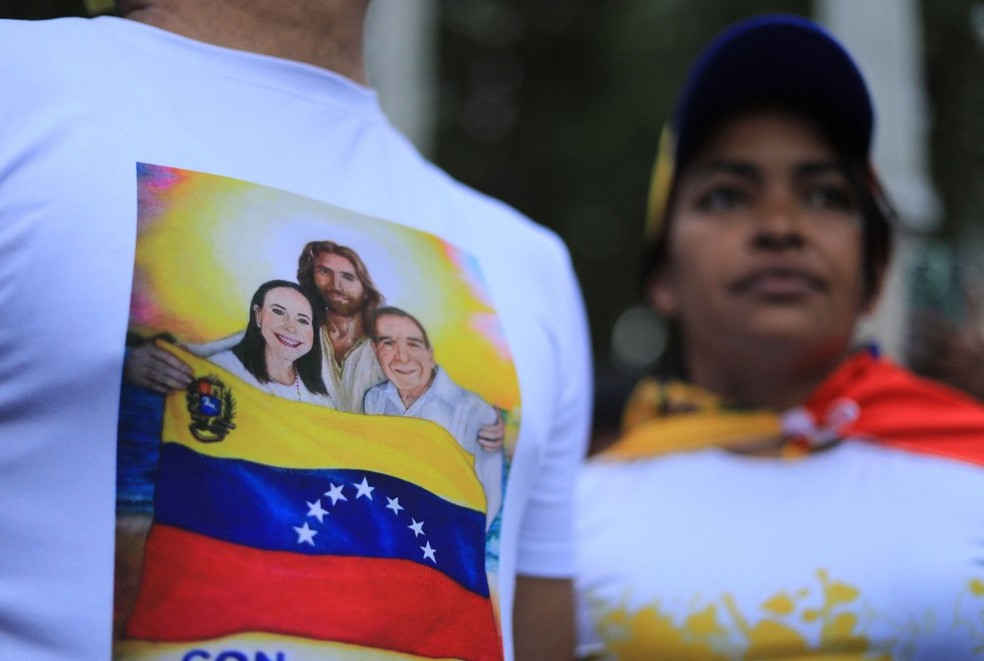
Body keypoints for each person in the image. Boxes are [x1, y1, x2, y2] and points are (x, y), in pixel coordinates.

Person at [0, 2, 592, 659]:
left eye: (347, 276)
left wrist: (481, 426)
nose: (334, 288)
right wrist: (145, 362)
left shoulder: (529, 266)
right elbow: (211, 360)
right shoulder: (19, 92)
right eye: (321, 278)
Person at [574, 14, 984, 659]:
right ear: (662, 277)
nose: (780, 226)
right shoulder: (560, 526)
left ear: (875, 272)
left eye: (824, 196)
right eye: (726, 196)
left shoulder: (971, 467)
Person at [364, 306, 504, 530]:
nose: (402, 357)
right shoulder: (374, 399)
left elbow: (490, 500)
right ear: (375, 349)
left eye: (413, 344)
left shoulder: (475, 411)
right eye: (388, 343)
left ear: (431, 352)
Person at [208, 279, 334, 406]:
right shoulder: (221, 369)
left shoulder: (320, 397)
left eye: (302, 320)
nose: (291, 327)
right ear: (258, 315)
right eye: (279, 312)